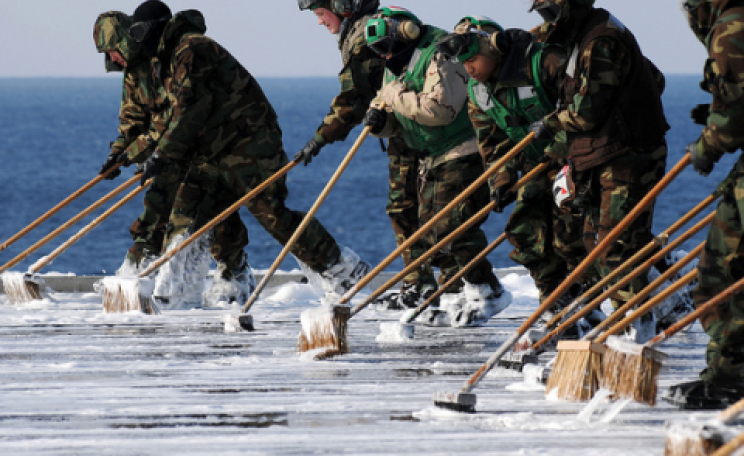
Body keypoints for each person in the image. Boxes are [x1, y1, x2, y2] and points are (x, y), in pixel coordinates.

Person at [129, 1, 370, 305]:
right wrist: (152, 153)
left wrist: (163, 155)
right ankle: (182, 292)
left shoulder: (191, 49)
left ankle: (342, 271)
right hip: (214, 149)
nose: (138, 41)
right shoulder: (167, 58)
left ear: (155, 29)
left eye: (140, 32)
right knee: (190, 209)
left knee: (271, 215)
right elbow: (172, 114)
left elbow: (191, 110)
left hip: (251, 143)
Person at [436, 16, 605, 337]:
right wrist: (500, 180)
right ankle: (555, 302)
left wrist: (556, 151)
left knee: (570, 236)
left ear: (493, 48)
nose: (469, 69)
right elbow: (491, 142)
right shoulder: (478, 91)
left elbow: (582, 111)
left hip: (575, 160)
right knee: (525, 233)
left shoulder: (541, 64)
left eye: (473, 60)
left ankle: (589, 302)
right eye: (463, 63)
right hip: (533, 166)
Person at [527, 0, 671, 341]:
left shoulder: (600, 41)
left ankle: (633, 324)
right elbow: (655, 78)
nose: (546, 25)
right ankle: (646, 304)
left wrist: (551, 125)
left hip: (629, 154)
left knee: (616, 244)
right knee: (594, 240)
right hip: (602, 154)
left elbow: (587, 112)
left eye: (549, 15)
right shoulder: (586, 36)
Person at [363, 6, 512, 327]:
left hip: (462, 150)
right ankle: (455, 290)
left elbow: (439, 111)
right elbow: (394, 109)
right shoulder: (397, 62)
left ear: (406, 33)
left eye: (388, 47)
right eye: (379, 52)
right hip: (432, 154)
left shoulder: (440, 54)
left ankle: (487, 289)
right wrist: (380, 122)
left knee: (452, 224)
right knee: (431, 229)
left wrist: (392, 93)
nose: (386, 57)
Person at [94, 9, 252, 308]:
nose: (112, 59)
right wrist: (118, 153)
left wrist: (136, 153)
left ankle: (232, 273)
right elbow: (132, 118)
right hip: (166, 152)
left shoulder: (164, 61)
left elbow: (172, 118)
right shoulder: (132, 74)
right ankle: (140, 273)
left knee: (212, 213)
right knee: (154, 209)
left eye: (114, 51)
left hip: (199, 146)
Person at [296, 0, 441, 310]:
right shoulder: (367, 28)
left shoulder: (364, 36)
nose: (320, 22)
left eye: (321, 14)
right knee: (415, 206)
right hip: (409, 126)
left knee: (406, 207)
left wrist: (320, 138)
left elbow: (354, 96)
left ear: (342, 6)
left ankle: (422, 285)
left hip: (411, 130)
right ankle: (426, 283)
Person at [663, 0, 744, 410]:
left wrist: (707, 147)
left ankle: (729, 378)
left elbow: (732, 119)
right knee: (722, 269)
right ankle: (728, 375)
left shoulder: (731, 29)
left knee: (725, 271)